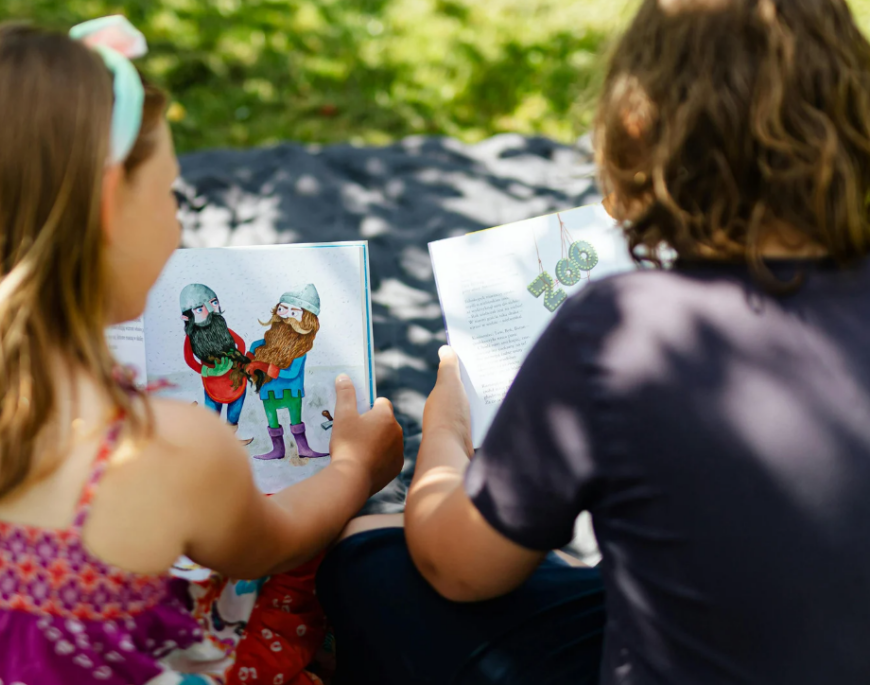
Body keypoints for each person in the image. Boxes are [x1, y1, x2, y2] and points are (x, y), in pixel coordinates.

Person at [318, 0, 870, 683]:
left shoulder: (622, 330)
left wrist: (445, 436)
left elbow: (458, 569)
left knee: (370, 553)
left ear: (636, 128)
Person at [0, 17, 402, 685]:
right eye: (169, 192)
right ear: (110, 205)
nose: (177, 217)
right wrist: (352, 467)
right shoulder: (166, 446)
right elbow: (273, 540)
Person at [247, 286, 329, 460]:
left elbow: (291, 373)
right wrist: (248, 360)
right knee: (272, 420)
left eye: (294, 312)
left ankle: (303, 448)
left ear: (306, 320)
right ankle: (277, 450)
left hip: (291, 390)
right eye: (283, 309)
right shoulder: (261, 345)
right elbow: (248, 364)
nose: (286, 316)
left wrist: (263, 366)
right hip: (267, 389)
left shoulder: (300, 349)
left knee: (295, 419)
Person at [180, 283, 253, 445]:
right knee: (212, 412)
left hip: (235, 379)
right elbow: (189, 359)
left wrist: (235, 360)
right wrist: (208, 371)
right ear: (187, 317)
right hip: (212, 383)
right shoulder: (192, 337)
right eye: (200, 309)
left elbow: (240, 343)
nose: (209, 310)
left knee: (234, 411)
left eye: (213, 303)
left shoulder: (221, 326)